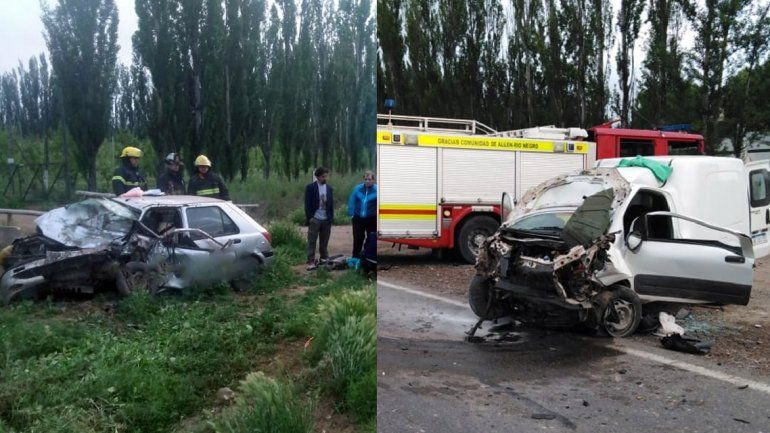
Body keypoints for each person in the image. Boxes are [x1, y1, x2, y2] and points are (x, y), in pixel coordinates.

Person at [304, 167, 334, 267]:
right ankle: (311, 261)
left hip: (326, 218)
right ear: (317, 177)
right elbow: (307, 204)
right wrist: (310, 218)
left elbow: (331, 204)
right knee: (312, 241)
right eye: (322, 176)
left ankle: (324, 258)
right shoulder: (310, 188)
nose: (325, 178)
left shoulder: (329, 188)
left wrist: (331, 218)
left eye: (326, 176)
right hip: (315, 218)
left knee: (324, 241)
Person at [348, 170, 377, 258]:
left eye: (369, 179)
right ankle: (355, 257)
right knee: (357, 238)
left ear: (373, 180)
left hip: (371, 218)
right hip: (358, 218)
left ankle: (367, 257)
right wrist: (351, 213)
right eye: (365, 179)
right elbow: (352, 201)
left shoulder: (377, 190)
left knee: (371, 239)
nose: (367, 181)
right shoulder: (357, 188)